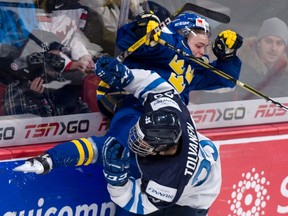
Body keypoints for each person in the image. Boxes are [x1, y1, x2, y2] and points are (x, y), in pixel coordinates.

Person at [14, 57, 221, 215]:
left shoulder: (168, 180)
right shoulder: (173, 110)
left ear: (161, 150)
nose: (135, 141)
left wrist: (118, 181)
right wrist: (127, 76)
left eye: (143, 144)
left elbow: (138, 204)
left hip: (191, 200)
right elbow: (154, 84)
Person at [97, 12, 243, 116]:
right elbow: (128, 43)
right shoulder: (164, 47)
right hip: (136, 108)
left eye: (205, 47)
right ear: (182, 37)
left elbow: (224, 79)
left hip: (171, 118)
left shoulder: (194, 69)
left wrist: (227, 57)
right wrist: (141, 28)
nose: (202, 52)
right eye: (198, 46)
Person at [236, 17, 288, 100]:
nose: (274, 48)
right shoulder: (238, 68)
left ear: (284, 48)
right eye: (269, 41)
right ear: (258, 43)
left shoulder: (285, 73)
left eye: (279, 43)